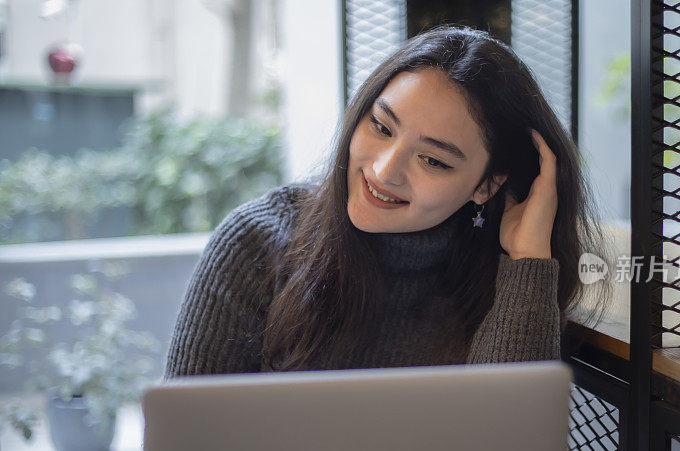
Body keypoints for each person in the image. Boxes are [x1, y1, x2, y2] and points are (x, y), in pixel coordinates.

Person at [164, 25, 608, 378]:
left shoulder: (504, 278)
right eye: (381, 126)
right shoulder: (256, 242)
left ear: (486, 187)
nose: (383, 171)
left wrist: (528, 259)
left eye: (433, 160)